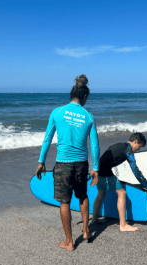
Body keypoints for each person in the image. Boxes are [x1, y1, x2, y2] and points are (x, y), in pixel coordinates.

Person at [35, 74, 100, 251]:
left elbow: (47, 139)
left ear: (71, 95)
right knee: (83, 196)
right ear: (85, 96)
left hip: (63, 164)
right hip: (81, 164)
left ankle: (70, 242)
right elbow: (94, 144)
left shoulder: (57, 112)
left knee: (65, 202)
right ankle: (86, 230)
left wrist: (41, 161)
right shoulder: (88, 116)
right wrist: (96, 168)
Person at [91, 133, 147, 232]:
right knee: (122, 193)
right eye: (139, 146)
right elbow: (135, 170)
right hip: (105, 171)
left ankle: (94, 220)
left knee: (101, 194)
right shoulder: (128, 150)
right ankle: (123, 225)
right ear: (135, 142)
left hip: (98, 170)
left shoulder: (119, 145)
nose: (138, 149)